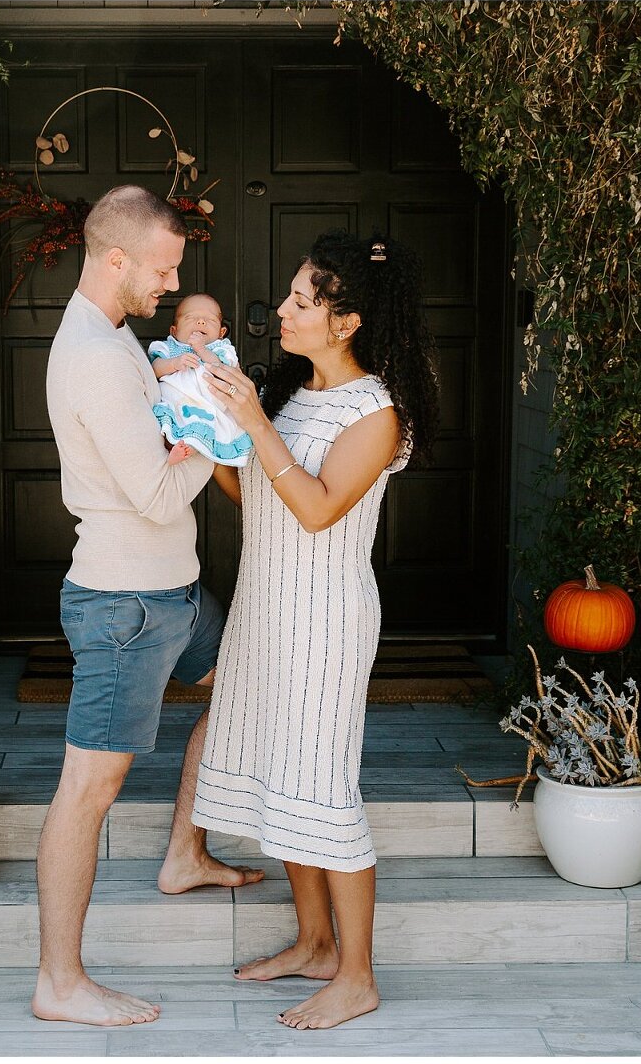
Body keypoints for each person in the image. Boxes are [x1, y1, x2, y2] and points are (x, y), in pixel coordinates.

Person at [189, 229, 440, 1030]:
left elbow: (319, 507)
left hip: (324, 622)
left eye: (304, 301)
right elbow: (258, 496)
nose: (284, 310)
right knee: (281, 780)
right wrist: (209, 431)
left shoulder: (378, 413)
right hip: (264, 607)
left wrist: (253, 423)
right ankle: (315, 942)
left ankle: (357, 975)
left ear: (348, 321)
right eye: (292, 296)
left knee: (323, 788)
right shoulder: (294, 393)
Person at [34, 184, 264, 1028]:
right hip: (124, 605)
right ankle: (60, 980)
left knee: (242, 681)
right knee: (88, 789)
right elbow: (160, 494)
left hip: (172, 594)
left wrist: (185, 401)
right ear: (117, 258)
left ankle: (183, 852)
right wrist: (221, 424)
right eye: (163, 269)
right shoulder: (96, 356)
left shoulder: (115, 337)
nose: (172, 285)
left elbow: (157, 430)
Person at [148, 293, 254, 467]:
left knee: (203, 427)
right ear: (174, 330)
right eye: (190, 318)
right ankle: (170, 448)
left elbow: (222, 371)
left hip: (206, 405)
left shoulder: (220, 349)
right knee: (164, 422)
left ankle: (189, 449)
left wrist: (202, 350)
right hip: (176, 401)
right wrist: (174, 363)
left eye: (210, 320)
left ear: (221, 333)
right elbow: (154, 369)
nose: (201, 322)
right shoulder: (169, 347)